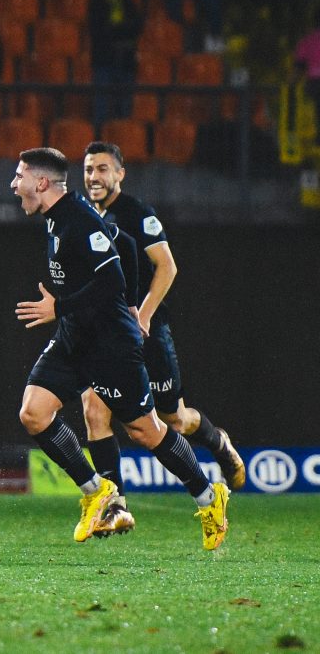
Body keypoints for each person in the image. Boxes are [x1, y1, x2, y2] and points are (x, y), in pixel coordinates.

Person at [11, 147, 229, 551]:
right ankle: (99, 493)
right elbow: (125, 245)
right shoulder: (58, 216)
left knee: (146, 431)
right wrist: (126, 303)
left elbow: (110, 278)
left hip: (110, 344)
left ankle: (208, 495)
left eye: (19, 176)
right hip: (78, 336)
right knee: (34, 413)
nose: (13, 184)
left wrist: (64, 307)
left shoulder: (75, 218)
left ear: (41, 183)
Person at [78, 141, 245, 537]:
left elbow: (167, 267)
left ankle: (218, 443)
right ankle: (113, 504)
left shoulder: (137, 214)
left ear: (120, 174)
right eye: (88, 169)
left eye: (102, 169)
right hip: (108, 336)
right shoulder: (82, 216)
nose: (93, 177)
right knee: (93, 408)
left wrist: (145, 314)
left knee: (174, 419)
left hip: (148, 335)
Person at [87, 0, 143, 127]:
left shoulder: (128, 2)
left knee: (125, 105)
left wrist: (115, 30)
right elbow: (99, 30)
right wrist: (120, 31)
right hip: (104, 60)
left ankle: (123, 140)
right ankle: (99, 141)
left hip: (125, 61)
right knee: (102, 105)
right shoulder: (96, 2)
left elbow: (136, 27)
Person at [293, 7, 320, 138]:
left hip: (314, 82)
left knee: (316, 106)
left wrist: (291, 84)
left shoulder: (307, 41)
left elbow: (299, 65)